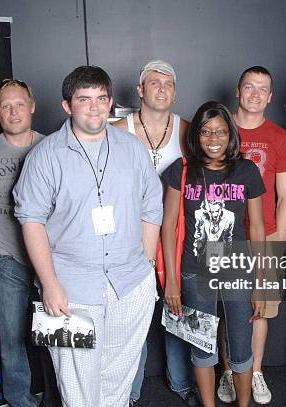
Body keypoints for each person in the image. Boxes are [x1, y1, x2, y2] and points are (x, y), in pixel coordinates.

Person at [13, 65, 163, 406]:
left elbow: (152, 208)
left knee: (119, 378)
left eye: (101, 99)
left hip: (130, 284)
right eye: (84, 99)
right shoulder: (45, 156)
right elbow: (31, 221)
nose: (94, 107)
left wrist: (148, 265)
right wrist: (49, 284)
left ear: (110, 102)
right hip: (70, 289)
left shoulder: (132, 148)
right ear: (68, 106)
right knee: (77, 386)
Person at [162, 101, 266, 407]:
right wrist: (171, 281)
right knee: (202, 347)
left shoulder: (246, 170)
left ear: (230, 134)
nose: (213, 138)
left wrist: (261, 283)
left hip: (236, 270)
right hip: (195, 273)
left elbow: (257, 229)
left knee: (241, 348)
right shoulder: (180, 172)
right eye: (206, 131)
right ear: (196, 136)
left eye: (220, 131)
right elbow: (168, 228)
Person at [114, 59, 197, 407]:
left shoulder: (188, 131)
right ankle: (129, 392)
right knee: (130, 317)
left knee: (177, 308)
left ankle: (181, 383)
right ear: (140, 91)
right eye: (154, 83)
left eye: (168, 84)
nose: (161, 89)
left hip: (176, 234)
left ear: (175, 91)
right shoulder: (118, 129)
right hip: (130, 236)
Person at [215, 66, 286, 404]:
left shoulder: (279, 136)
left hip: (266, 238)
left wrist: (279, 237)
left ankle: (256, 370)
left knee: (259, 309)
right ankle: (228, 373)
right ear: (238, 90)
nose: (255, 94)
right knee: (227, 309)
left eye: (262, 89)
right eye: (249, 87)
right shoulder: (219, 130)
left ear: (270, 96)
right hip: (226, 237)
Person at [0, 78, 52, 407]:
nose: (13, 111)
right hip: (6, 259)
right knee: (12, 336)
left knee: (55, 337)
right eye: (6, 105)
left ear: (32, 106)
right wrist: (9, 233)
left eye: (19, 104)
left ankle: (59, 396)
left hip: (52, 261)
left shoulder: (54, 147)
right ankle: (20, 400)